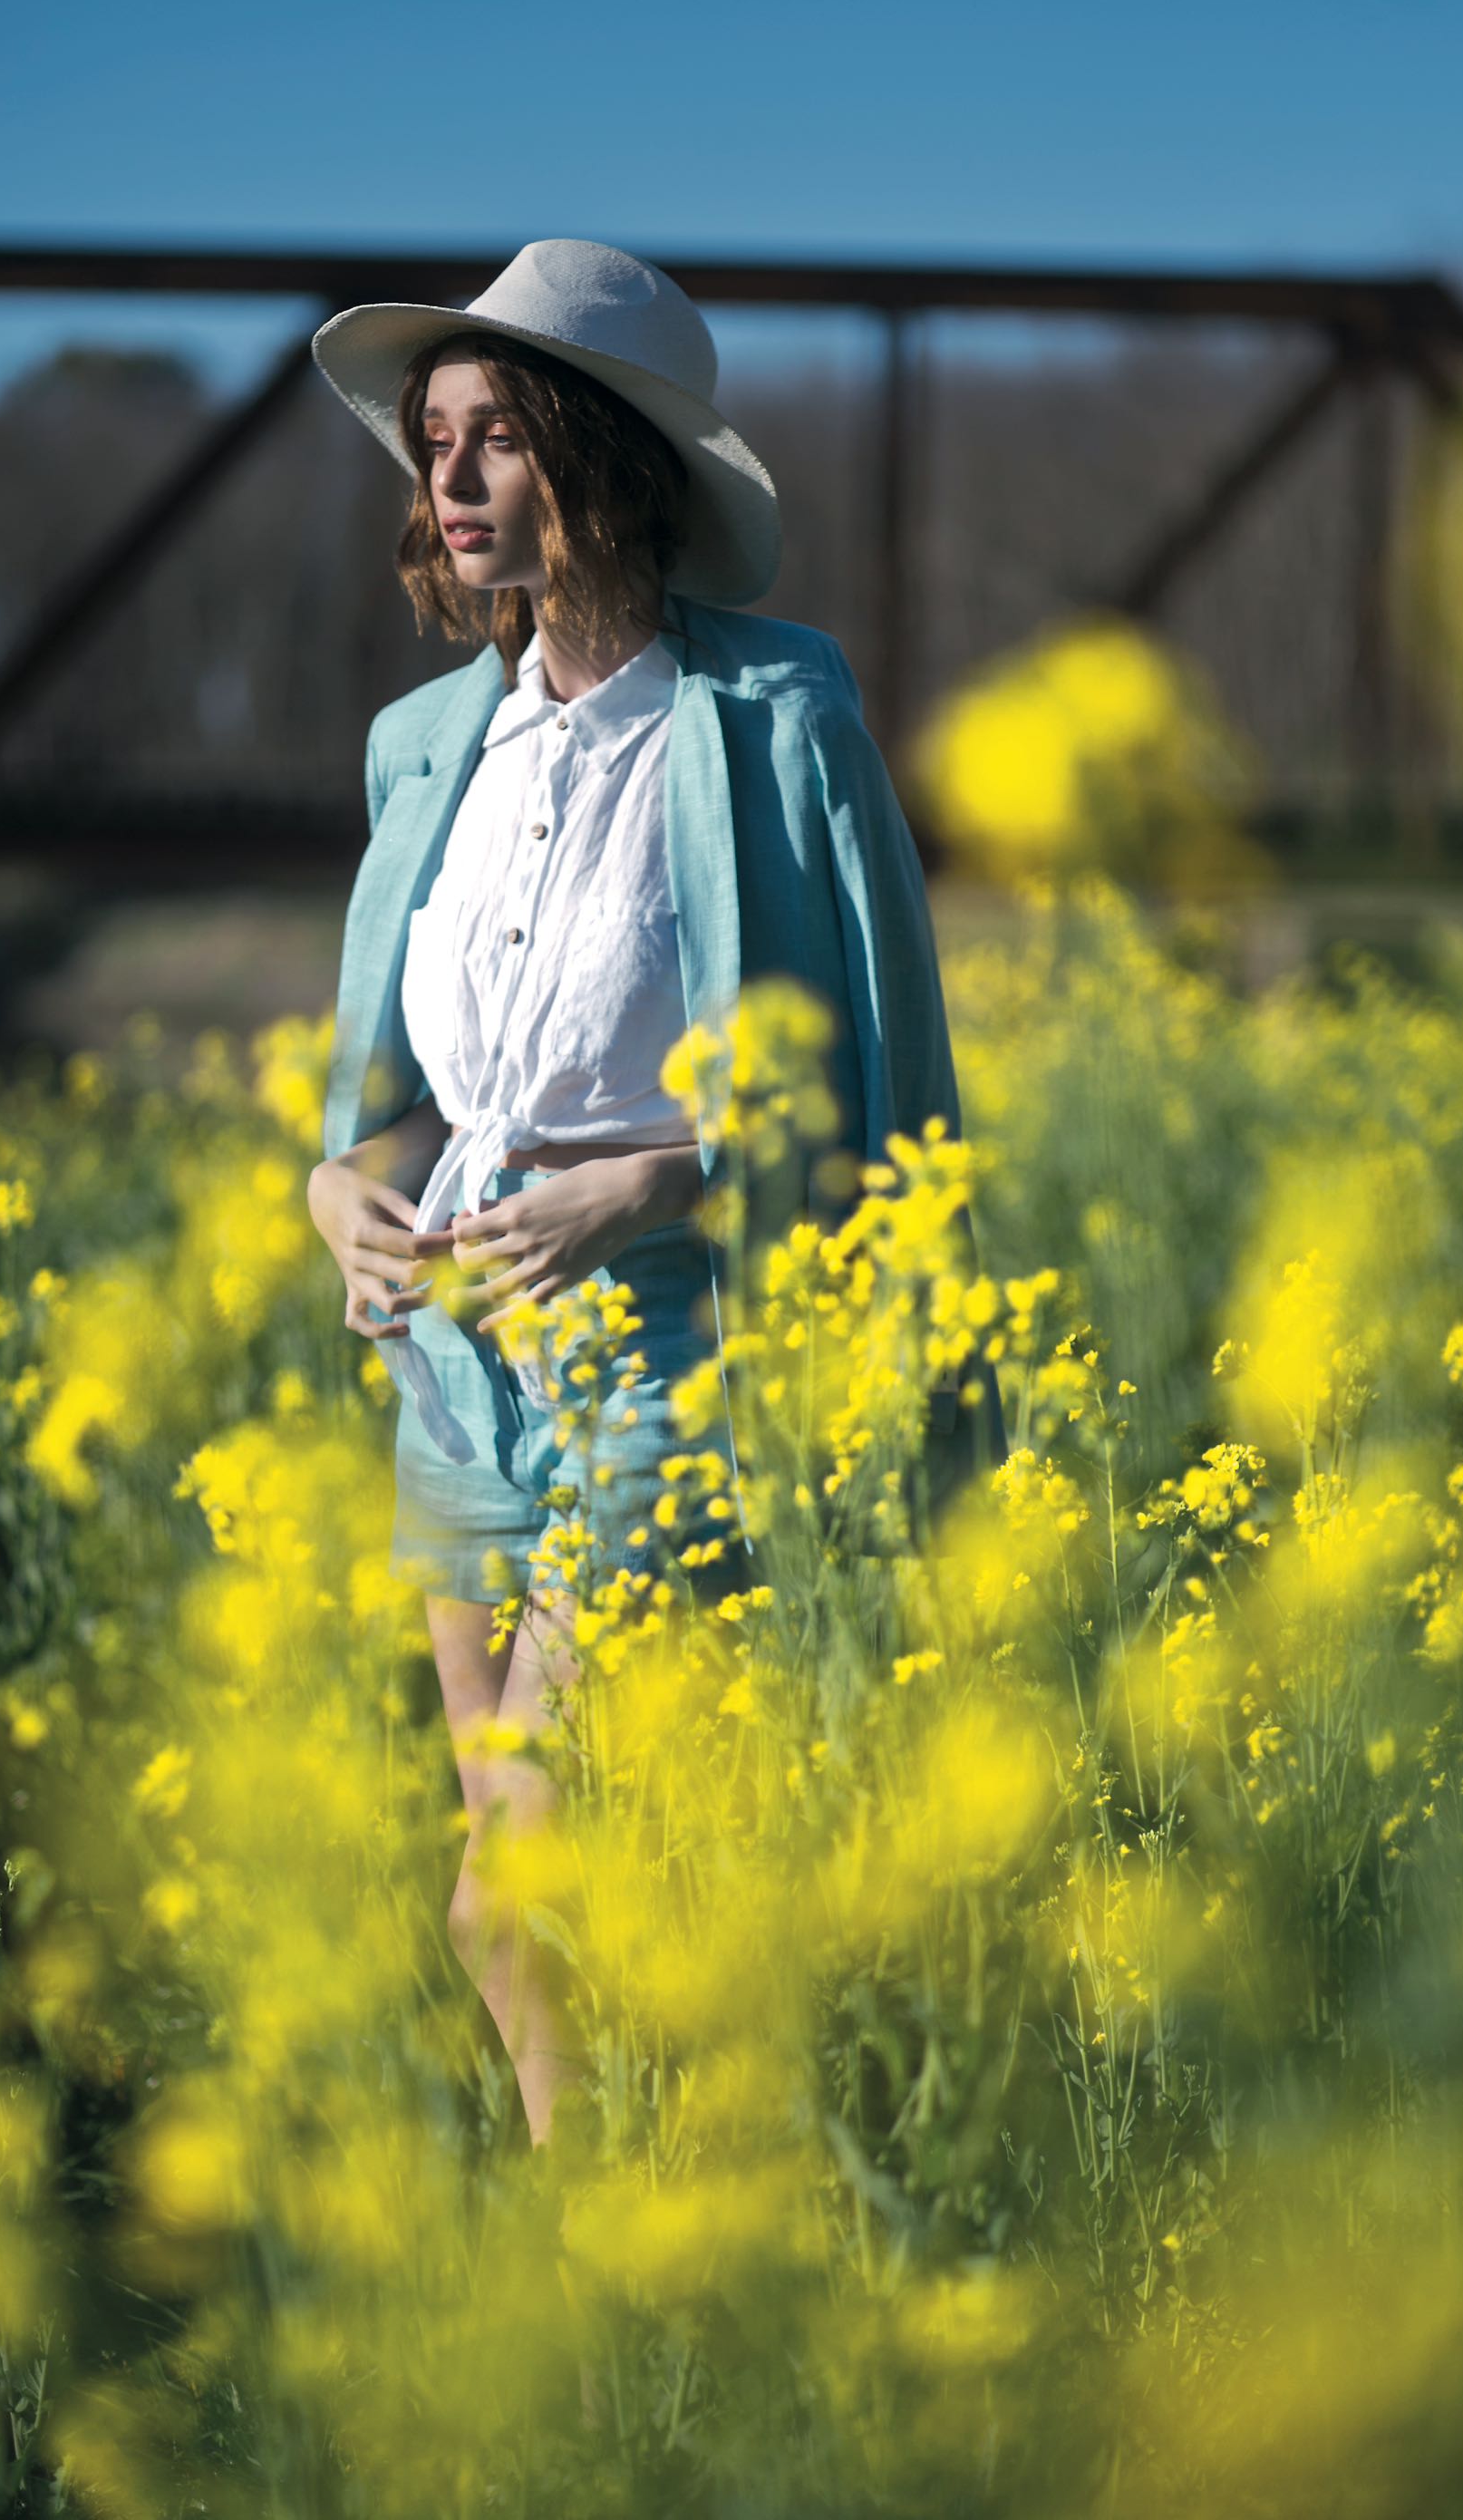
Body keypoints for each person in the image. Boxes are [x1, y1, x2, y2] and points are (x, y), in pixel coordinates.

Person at [305, 238, 1004, 2147]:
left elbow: (877, 1099)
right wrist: (331, 1194)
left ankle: (643, 2291)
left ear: (599, 461)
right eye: (429, 444)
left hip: (662, 1350)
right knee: (545, 1903)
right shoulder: (421, 749)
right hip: (451, 1370)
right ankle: (617, 2326)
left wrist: (645, 1184)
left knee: (499, 1885)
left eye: (493, 438)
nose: (444, 480)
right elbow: (386, 1099)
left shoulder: (778, 723)